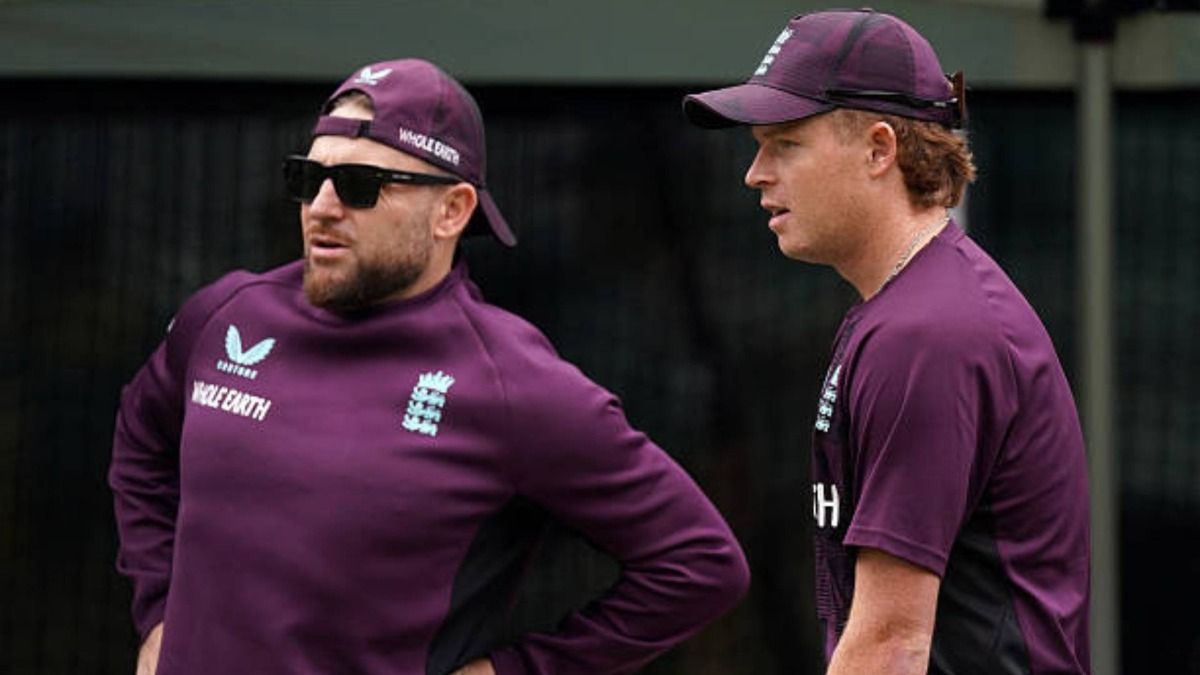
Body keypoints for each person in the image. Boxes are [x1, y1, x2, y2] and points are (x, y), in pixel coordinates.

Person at [110, 58, 749, 675]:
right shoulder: (226, 316)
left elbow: (698, 564)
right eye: (309, 177)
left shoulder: (511, 384)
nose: (323, 207)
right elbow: (141, 437)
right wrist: (159, 609)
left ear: (452, 210)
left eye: (361, 186)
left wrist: (515, 671)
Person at [683, 9, 1090, 674]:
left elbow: (892, 647)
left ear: (879, 148)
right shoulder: (910, 310)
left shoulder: (927, 334)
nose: (754, 173)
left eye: (784, 143)